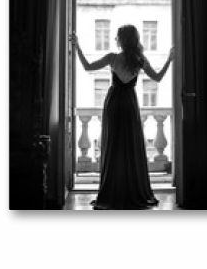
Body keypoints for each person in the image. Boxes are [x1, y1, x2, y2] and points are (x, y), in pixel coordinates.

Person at [71, 24, 174, 210]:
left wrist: (77, 46)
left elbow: (87, 66)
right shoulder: (139, 59)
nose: (115, 39)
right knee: (131, 145)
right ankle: (131, 189)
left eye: (117, 36)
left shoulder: (113, 58)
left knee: (114, 145)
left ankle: (113, 189)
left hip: (114, 102)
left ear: (121, 39)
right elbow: (157, 77)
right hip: (129, 103)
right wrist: (169, 59)